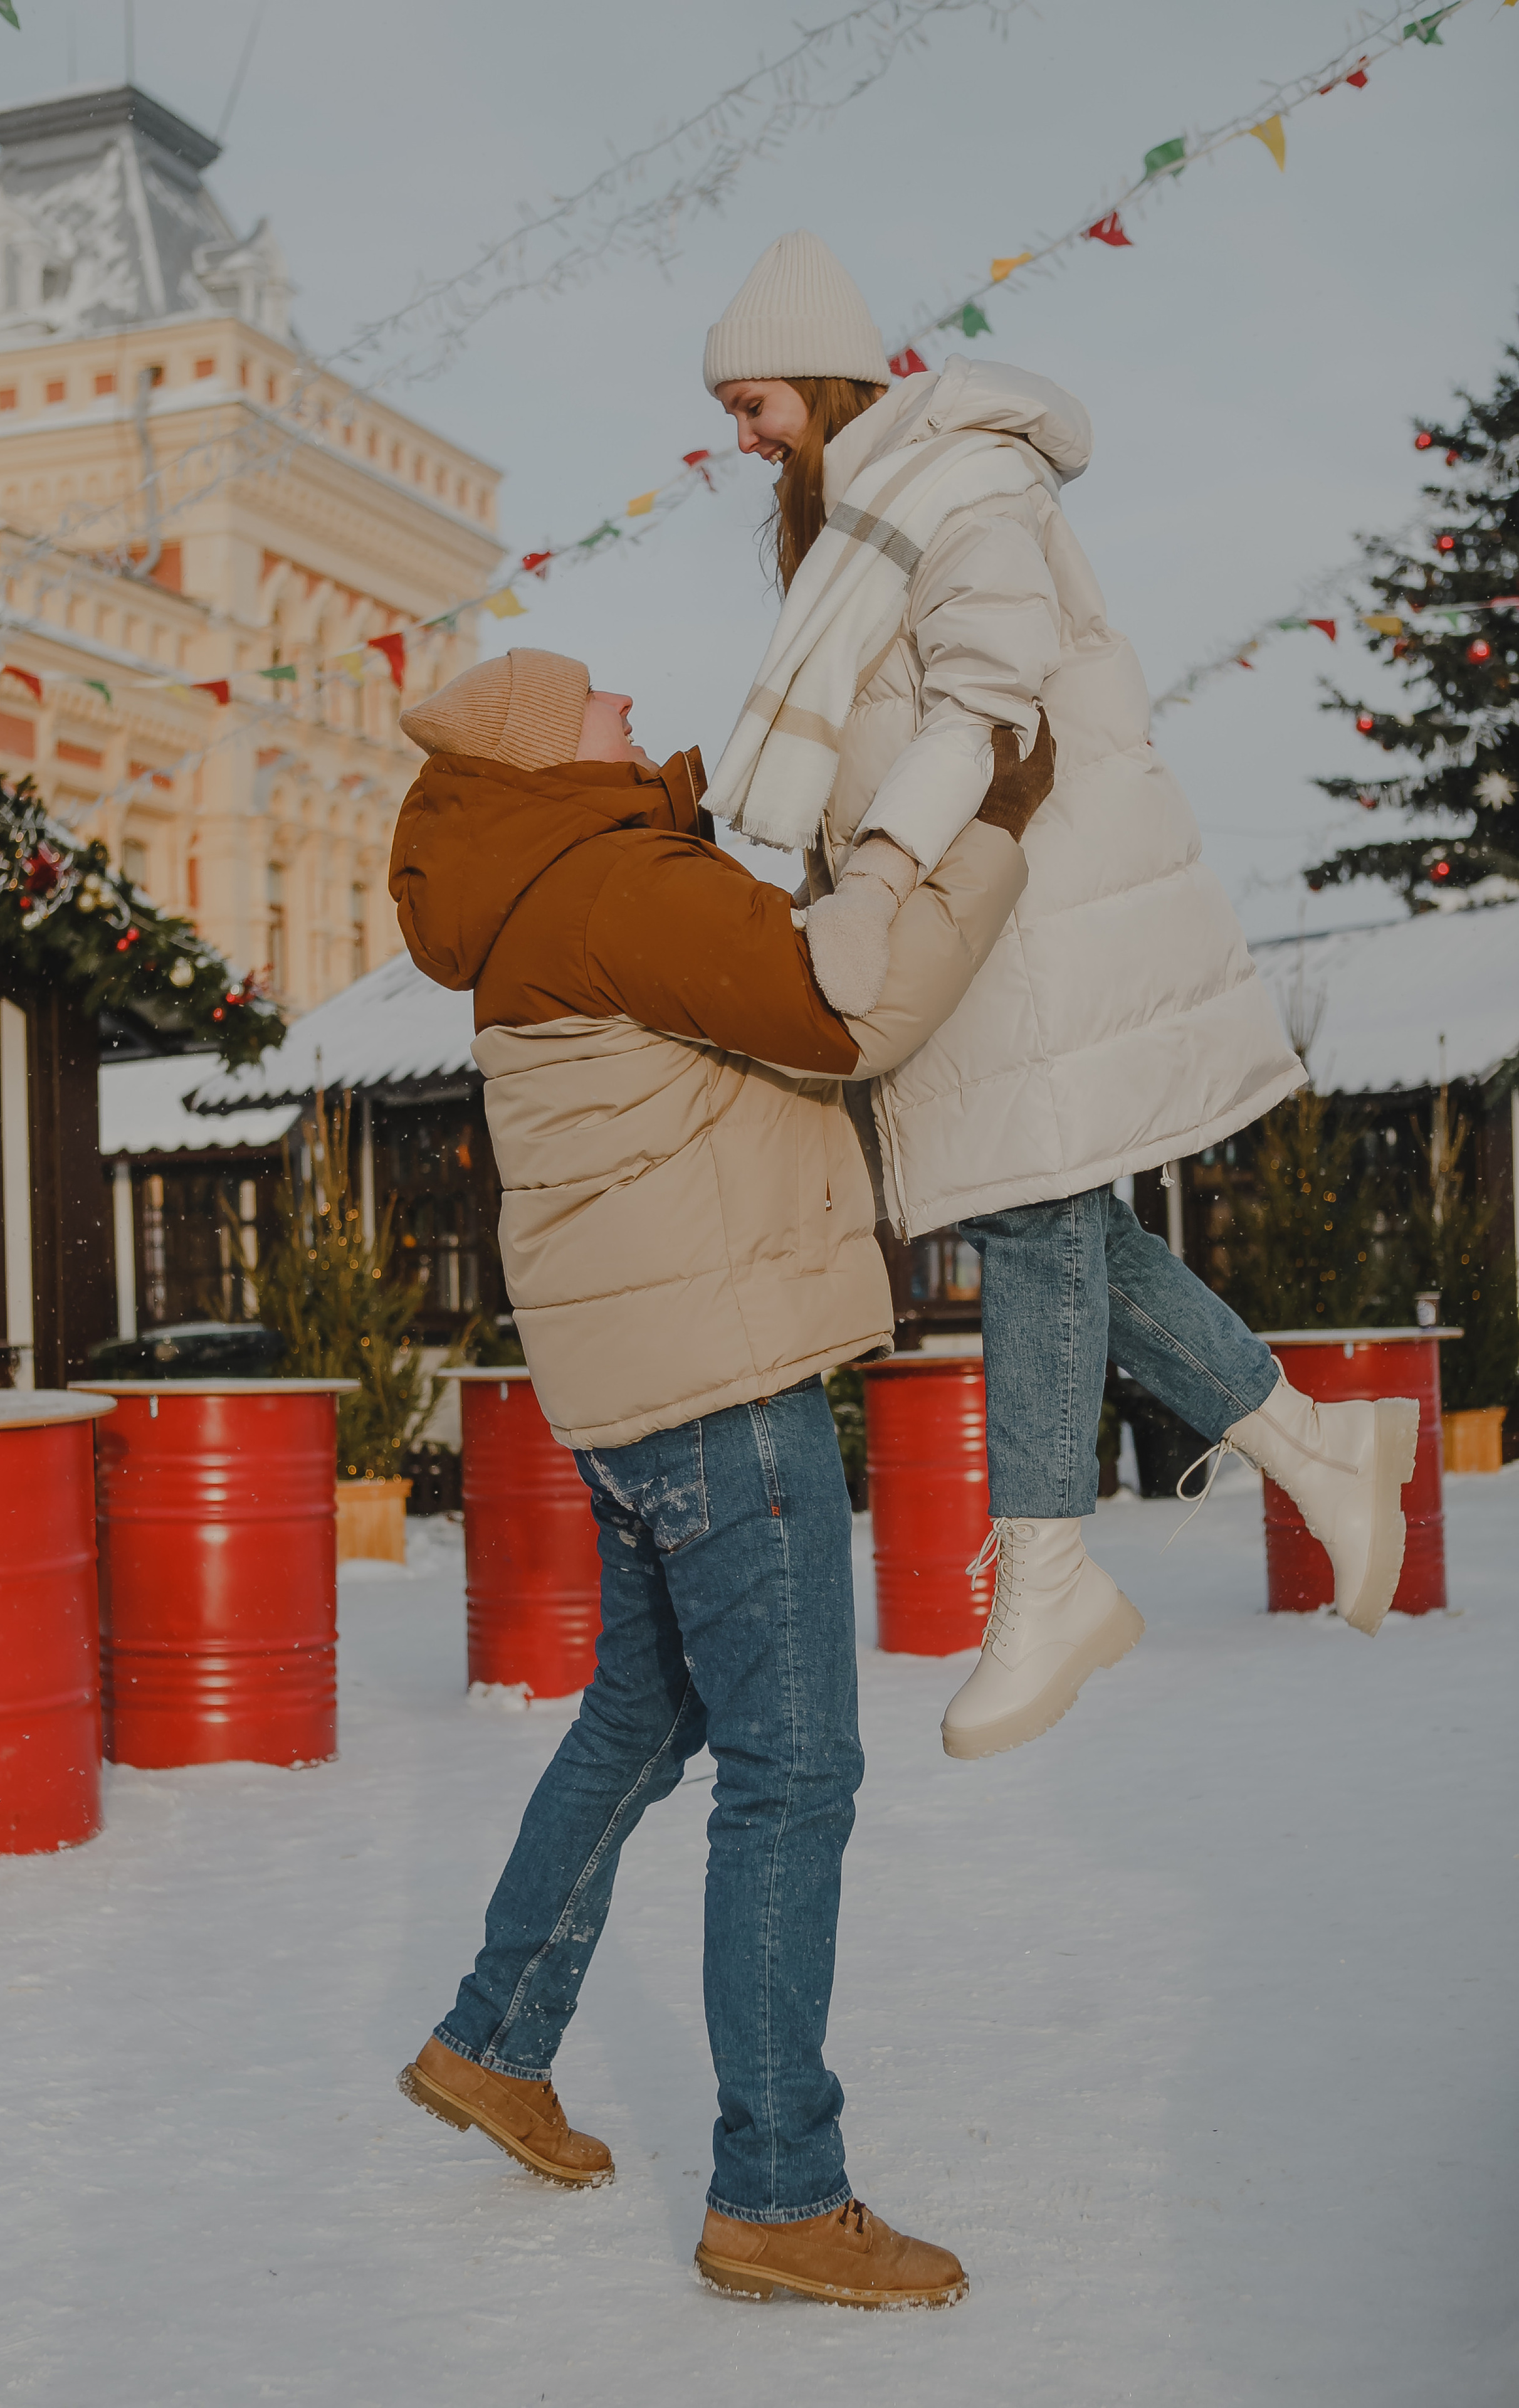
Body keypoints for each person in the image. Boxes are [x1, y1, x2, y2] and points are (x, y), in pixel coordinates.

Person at [386, 644, 1051, 2306]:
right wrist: (985, 830)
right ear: (549, 752)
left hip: (630, 1389)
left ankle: (495, 2037)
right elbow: (848, 1011)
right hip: (724, 1381)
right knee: (794, 1774)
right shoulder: (614, 878)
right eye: (593, 695)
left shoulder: (536, 893)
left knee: (646, 1713)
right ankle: (775, 2187)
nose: (625, 697)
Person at [703, 231, 1421, 1761]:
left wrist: (880, 880)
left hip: (1021, 903)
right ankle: (1312, 1447)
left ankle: (1047, 1565)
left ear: (821, 378)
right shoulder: (863, 521)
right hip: (971, 907)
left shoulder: (963, 486)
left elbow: (982, 702)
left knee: (1032, 1212)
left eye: (752, 399)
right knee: (1055, 1216)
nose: (739, 434)